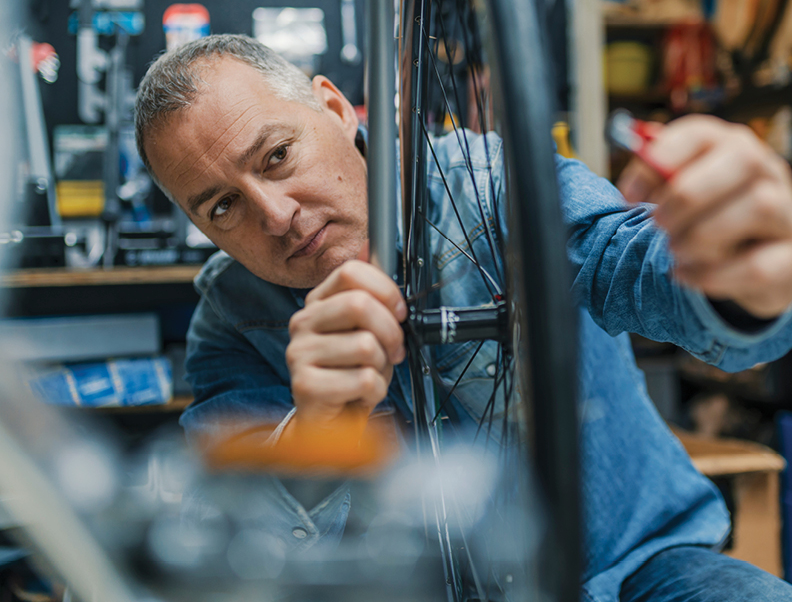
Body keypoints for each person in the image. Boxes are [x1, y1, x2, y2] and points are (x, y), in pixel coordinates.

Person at [135, 34, 792, 602]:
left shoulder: (497, 184)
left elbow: (634, 262)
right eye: (222, 207)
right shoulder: (231, 320)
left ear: (335, 109)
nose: (275, 216)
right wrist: (317, 433)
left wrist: (743, 271)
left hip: (631, 573)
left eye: (277, 156)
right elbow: (236, 543)